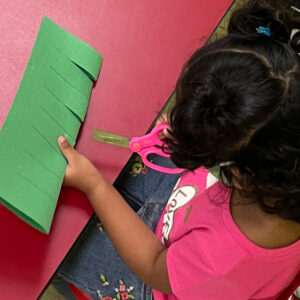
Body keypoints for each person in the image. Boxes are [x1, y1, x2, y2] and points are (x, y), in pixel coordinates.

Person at [51, 0, 300, 299]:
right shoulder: (279, 166)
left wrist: (94, 186)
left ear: (240, 173)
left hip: (158, 281)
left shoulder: (221, 261)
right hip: (188, 209)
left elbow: (154, 266)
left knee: (57, 248)